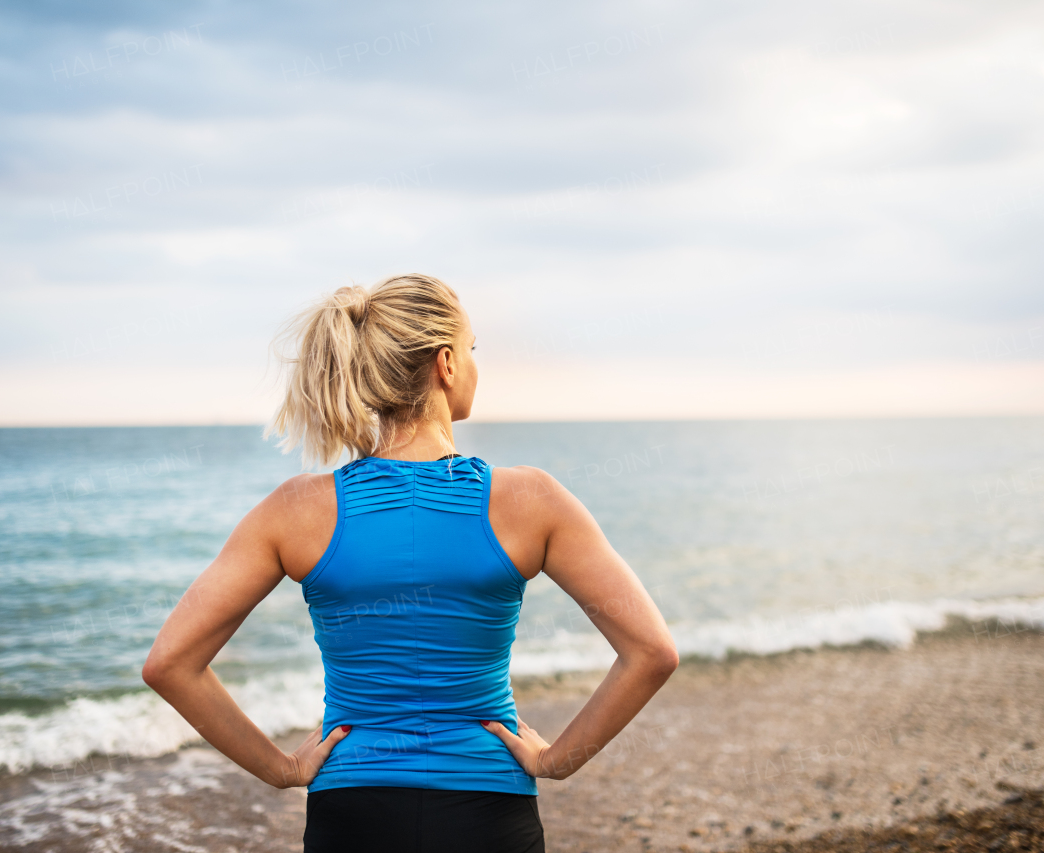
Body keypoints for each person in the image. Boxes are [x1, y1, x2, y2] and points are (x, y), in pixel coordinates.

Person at [142, 274, 679, 852]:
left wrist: (281, 769)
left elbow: (170, 664)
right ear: (445, 363)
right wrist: (556, 759)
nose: (475, 365)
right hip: (488, 810)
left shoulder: (295, 509)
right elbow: (651, 652)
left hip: (351, 812)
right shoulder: (531, 500)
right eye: (472, 350)